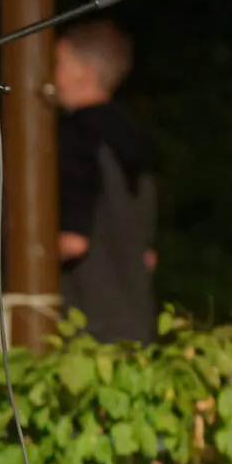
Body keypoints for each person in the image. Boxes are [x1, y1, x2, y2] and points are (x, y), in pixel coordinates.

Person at [52, 19, 156, 344]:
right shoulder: (133, 135)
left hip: (86, 332)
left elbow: (72, 241)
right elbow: (148, 255)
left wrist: (20, 260)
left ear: (83, 71)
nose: (52, 77)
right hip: (136, 321)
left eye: (58, 65)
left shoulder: (76, 136)